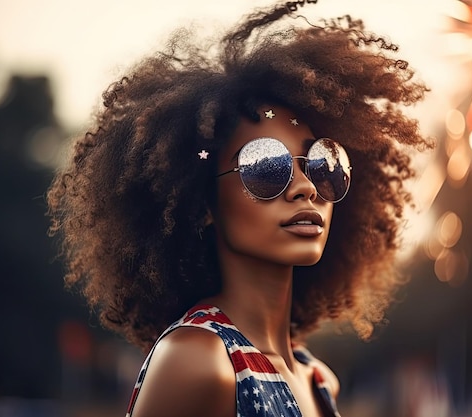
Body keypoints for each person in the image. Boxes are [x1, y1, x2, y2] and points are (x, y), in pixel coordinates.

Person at [46, 1, 430, 415]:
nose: (305, 187)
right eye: (266, 167)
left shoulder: (318, 379)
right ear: (204, 202)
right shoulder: (197, 362)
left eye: (323, 164)